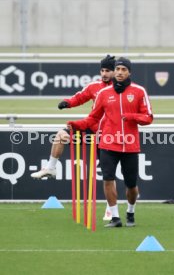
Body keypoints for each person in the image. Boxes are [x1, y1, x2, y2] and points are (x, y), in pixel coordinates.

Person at [67, 57, 153, 228]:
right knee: (107, 180)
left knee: (131, 185)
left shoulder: (139, 91)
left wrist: (132, 117)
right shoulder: (103, 94)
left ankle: (130, 211)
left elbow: (148, 118)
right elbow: (93, 118)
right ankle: (115, 218)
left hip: (130, 145)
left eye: (123, 69)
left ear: (129, 72)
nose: (120, 72)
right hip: (107, 143)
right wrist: (76, 124)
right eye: (118, 69)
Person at [31, 55, 116, 220]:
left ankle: (110, 209)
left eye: (108, 70)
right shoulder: (94, 86)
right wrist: (67, 102)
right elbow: (80, 97)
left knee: (108, 175)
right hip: (90, 129)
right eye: (102, 70)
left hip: (108, 135)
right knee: (61, 135)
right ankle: (50, 168)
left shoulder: (119, 89)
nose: (104, 73)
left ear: (115, 72)